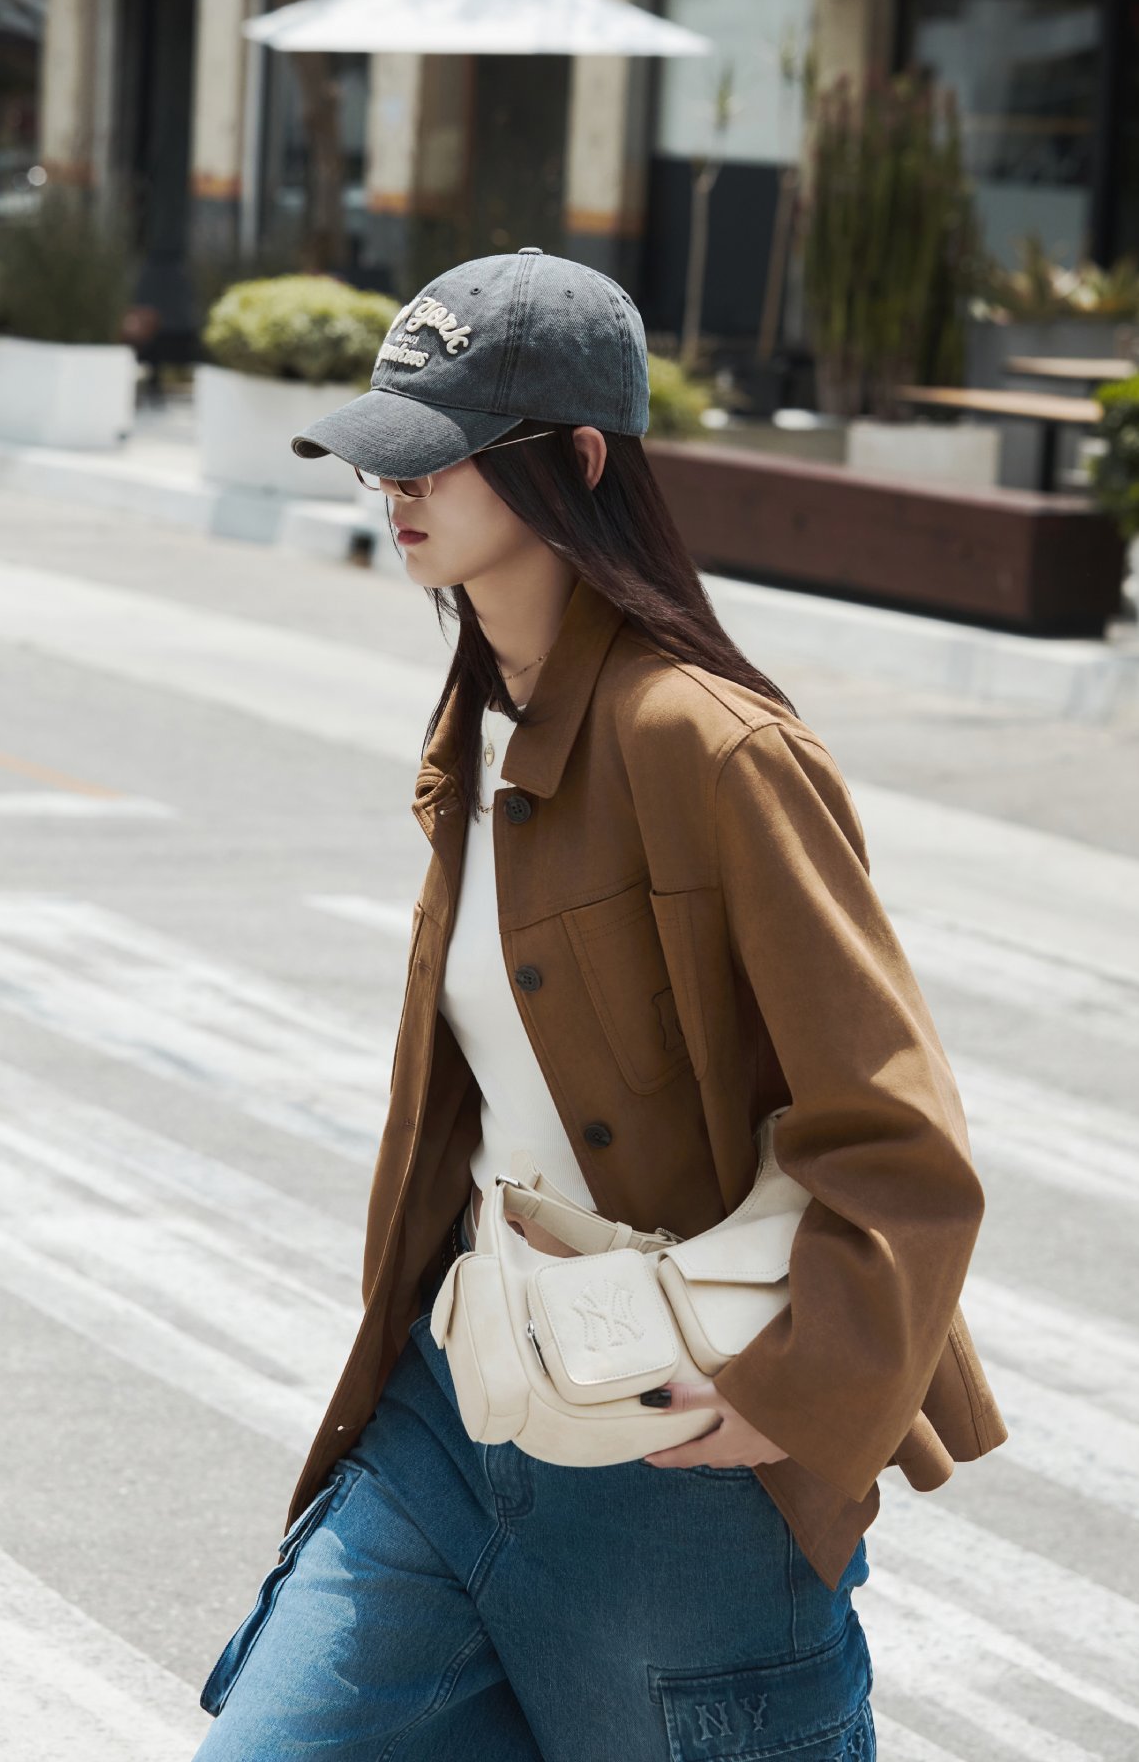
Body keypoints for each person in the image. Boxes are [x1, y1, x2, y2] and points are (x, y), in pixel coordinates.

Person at [191, 248, 1007, 1762]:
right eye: (386, 454)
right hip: (454, 1415)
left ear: (576, 462)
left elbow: (897, 1132)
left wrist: (796, 1395)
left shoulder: (711, 745)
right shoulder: (481, 724)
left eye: (439, 454)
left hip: (669, 1468)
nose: (397, 488)